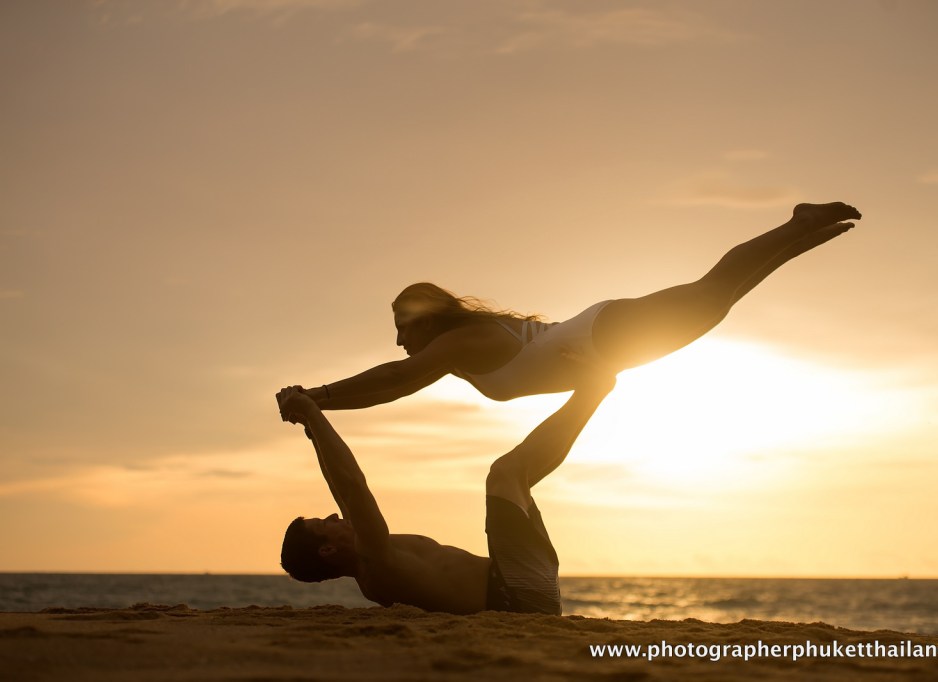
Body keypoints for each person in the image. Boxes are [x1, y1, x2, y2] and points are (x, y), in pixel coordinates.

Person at [284, 202, 860, 408]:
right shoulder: (467, 342)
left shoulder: (456, 345)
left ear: (426, 320)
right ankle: (799, 235)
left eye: (401, 327)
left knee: (711, 295)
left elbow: (395, 380)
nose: (400, 340)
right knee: (716, 301)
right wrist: (322, 404)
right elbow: (395, 376)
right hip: (607, 332)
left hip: (606, 336)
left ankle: (797, 223)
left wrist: (319, 397)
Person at [276, 371, 614, 615]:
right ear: (328, 549)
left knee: (516, 477)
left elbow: (341, 489)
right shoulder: (373, 561)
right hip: (515, 591)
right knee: (504, 474)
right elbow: (352, 485)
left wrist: (311, 429)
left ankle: (595, 389)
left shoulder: (369, 560)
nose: (335, 516)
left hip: (525, 587)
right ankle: (594, 386)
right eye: (325, 522)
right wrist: (313, 412)